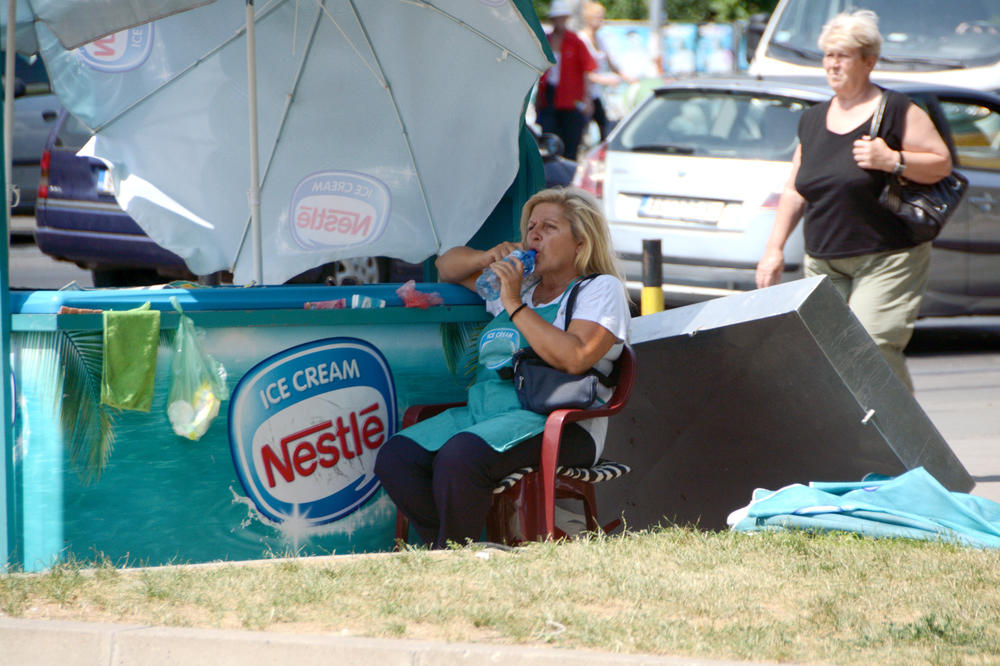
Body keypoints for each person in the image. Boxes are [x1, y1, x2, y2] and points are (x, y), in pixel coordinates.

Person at [374, 187, 631, 548]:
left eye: (550, 227)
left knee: (460, 457)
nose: (535, 234)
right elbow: (445, 267)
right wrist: (486, 257)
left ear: (581, 242)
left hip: (560, 421)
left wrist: (512, 303)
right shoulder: (520, 287)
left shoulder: (598, 290)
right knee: (397, 458)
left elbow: (576, 356)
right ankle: (449, 550)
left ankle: (454, 559)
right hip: (484, 415)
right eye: (531, 227)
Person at [754, 10, 951, 392]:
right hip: (824, 257)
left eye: (842, 55)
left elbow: (941, 164)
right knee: (828, 353)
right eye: (828, 55)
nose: (832, 64)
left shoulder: (895, 110)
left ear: (869, 61)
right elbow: (796, 187)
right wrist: (774, 249)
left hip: (887, 257)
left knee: (872, 347)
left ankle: (905, 441)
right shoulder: (812, 119)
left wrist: (892, 159)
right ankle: (855, 443)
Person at [535, 0, 597, 160]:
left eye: (563, 18)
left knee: (571, 141)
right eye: (557, 18)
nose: (560, 21)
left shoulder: (575, 42)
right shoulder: (546, 41)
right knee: (549, 138)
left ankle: (568, 174)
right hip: (549, 96)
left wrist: (587, 98)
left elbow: (587, 70)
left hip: (571, 98)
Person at [578, 1, 635, 141]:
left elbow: (612, 64)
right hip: (582, 92)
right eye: (599, 18)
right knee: (581, 128)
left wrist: (629, 78)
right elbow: (582, 72)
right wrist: (605, 79)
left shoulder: (600, 39)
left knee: (604, 126)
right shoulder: (581, 40)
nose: (601, 21)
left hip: (596, 93)